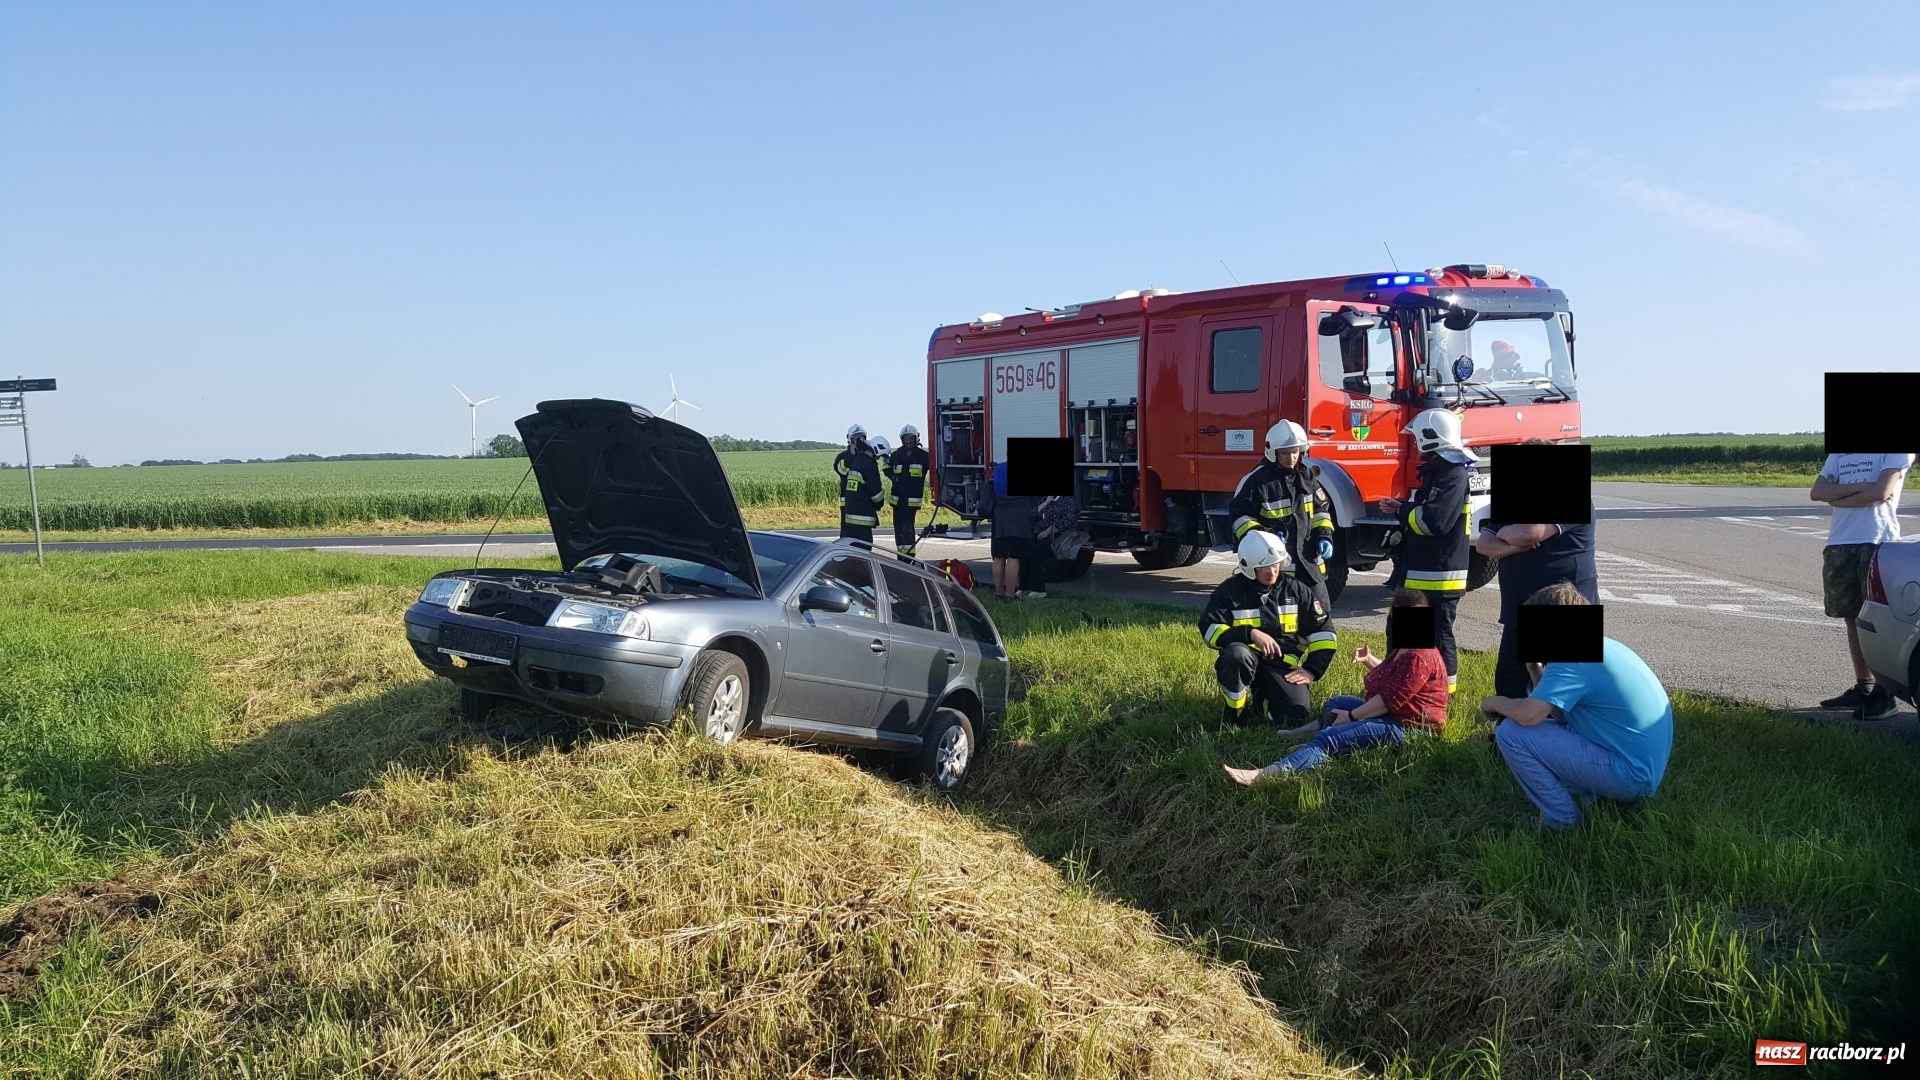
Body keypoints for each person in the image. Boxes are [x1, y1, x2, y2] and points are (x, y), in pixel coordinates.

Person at [1479, 582, 1673, 829]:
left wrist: (1496, 702)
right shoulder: (1600, 646)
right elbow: (1562, 718)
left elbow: (1529, 716)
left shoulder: (1572, 657)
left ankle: (1562, 820)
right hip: (1640, 771)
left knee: (1511, 733)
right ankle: (1593, 796)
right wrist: (1535, 669)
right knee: (1545, 731)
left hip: (1630, 776)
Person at [1224, 589, 1448, 783]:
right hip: (1397, 713)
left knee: (1329, 738)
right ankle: (1317, 740)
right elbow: (1397, 679)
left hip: (1411, 727)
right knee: (1336, 703)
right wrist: (1368, 659)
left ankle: (1264, 775)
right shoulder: (1407, 646)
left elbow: (1388, 700)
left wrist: (1350, 717)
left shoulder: (1419, 655)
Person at [1474, 440, 1600, 698]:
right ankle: (1510, 724)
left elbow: (1529, 533)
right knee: (1512, 685)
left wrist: (1508, 534)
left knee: (1567, 691)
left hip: (1564, 608)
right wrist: (1516, 544)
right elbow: (1484, 545)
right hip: (1520, 609)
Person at [1810, 450, 1915, 720]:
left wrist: (1838, 496)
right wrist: (1865, 487)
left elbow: (1881, 493)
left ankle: (1884, 693)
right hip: (1840, 541)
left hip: (1876, 539)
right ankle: (1864, 685)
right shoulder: (1839, 454)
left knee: (1877, 619)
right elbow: (1817, 492)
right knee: (1852, 617)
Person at [1199, 531, 1338, 727]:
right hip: (1244, 658)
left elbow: (1323, 632)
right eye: (1264, 567)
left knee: (1296, 717)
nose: (1272, 572)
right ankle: (1236, 712)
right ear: (1249, 568)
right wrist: (1250, 634)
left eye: (1275, 564)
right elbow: (1210, 629)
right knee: (1235, 655)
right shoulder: (1229, 592)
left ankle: (1263, 699)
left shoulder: (1296, 590)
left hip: (1282, 665)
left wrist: (1311, 670)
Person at [1380, 408, 1474, 694]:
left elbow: (1433, 522)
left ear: (1429, 439)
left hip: (1439, 578)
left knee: (1437, 639)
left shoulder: (1453, 476)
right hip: (1423, 573)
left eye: (1416, 439)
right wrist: (1402, 513)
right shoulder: (1439, 474)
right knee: (1406, 638)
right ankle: (1405, 692)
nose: (1414, 444)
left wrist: (1403, 511)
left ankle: (1441, 697)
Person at [1227, 420, 1336, 605]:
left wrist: (1324, 536)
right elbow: (1239, 518)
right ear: (1273, 452)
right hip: (1275, 565)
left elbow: (1321, 510)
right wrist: (1266, 539)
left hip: (1309, 563)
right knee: (1282, 616)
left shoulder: (1307, 476)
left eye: (1295, 452)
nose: (1291, 457)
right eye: (1285, 453)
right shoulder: (1257, 481)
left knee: (1321, 611)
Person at [979, 461, 1036, 600]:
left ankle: (999, 592)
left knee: (999, 556)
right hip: (1019, 517)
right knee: (1014, 557)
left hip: (1000, 517)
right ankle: (1010, 594)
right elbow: (1034, 498)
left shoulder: (999, 469)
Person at [884, 424, 932, 559]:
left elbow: (935, 469)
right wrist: (893, 477)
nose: (908, 441)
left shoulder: (923, 456)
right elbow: (886, 466)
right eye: (906, 439)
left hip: (911, 500)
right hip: (897, 500)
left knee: (907, 529)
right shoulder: (896, 455)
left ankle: (909, 559)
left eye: (911, 438)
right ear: (902, 440)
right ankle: (900, 556)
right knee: (898, 529)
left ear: (916, 439)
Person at [834, 424, 884, 542]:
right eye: (856, 438)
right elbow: (842, 470)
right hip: (847, 503)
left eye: (861, 438)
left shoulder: (865, 458)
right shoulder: (843, 457)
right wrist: (852, 455)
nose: (859, 441)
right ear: (850, 439)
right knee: (846, 536)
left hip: (862, 502)